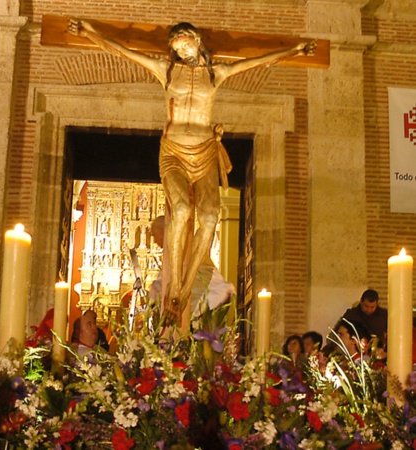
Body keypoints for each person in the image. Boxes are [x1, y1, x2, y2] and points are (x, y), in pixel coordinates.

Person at [68, 19, 316, 325]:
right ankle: (175, 287)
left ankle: (183, 288)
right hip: (173, 150)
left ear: (195, 40)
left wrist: (295, 50)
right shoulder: (167, 70)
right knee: (183, 209)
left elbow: (255, 63)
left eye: (183, 44)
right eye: (176, 47)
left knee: (211, 217)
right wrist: (90, 34)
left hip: (204, 153)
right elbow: (125, 52)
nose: (180, 50)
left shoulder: (216, 73)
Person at [149, 215, 235, 317]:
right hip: (205, 300)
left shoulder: (183, 247)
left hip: (209, 297)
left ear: (163, 232)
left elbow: (164, 281)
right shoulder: (173, 249)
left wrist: (150, 301)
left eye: (155, 236)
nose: (154, 241)